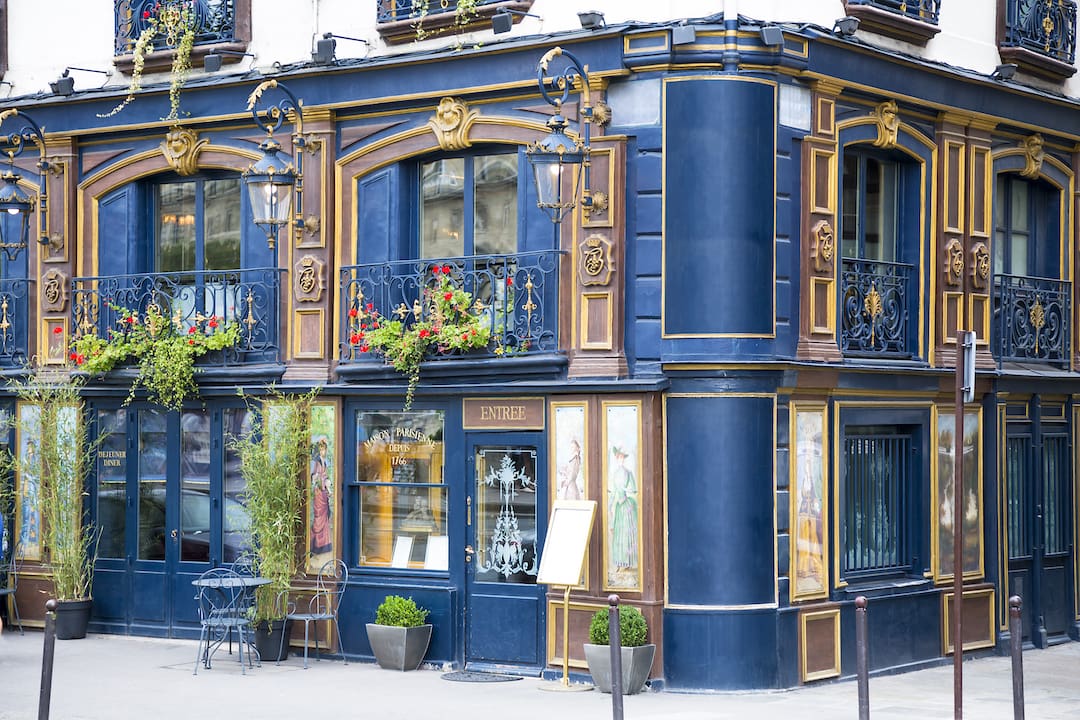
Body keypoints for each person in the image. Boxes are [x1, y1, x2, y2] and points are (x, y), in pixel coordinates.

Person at [608, 446, 638, 573]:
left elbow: (634, 489)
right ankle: (620, 563)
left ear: (624, 459)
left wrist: (625, 490)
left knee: (627, 533)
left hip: (627, 505)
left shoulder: (629, 473)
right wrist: (609, 506)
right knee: (619, 533)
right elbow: (614, 492)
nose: (620, 459)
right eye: (618, 457)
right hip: (619, 507)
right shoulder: (615, 474)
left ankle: (628, 562)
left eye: (622, 457)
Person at [309, 438, 332, 554]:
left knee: (324, 517)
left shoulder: (324, 462)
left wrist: (328, 486)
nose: (323, 452)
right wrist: (321, 481)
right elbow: (315, 477)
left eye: (324, 449)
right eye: (321, 449)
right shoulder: (317, 463)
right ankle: (315, 544)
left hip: (323, 492)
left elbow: (325, 476)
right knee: (318, 518)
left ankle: (324, 545)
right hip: (318, 492)